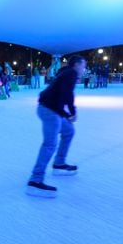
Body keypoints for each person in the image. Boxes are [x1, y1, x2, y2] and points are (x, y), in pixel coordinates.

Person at [27, 55, 86, 198]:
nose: (85, 70)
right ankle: (35, 180)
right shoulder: (71, 73)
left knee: (69, 131)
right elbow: (68, 95)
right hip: (48, 110)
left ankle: (59, 163)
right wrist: (72, 112)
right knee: (50, 144)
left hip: (53, 109)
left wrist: (67, 115)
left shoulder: (66, 73)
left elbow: (62, 96)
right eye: (84, 66)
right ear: (77, 65)